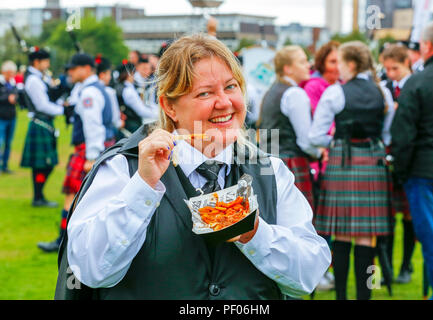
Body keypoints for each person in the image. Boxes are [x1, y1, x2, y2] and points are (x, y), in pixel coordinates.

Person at [54, 34, 331, 299]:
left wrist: (255, 234)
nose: (224, 103)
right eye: (204, 93)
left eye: (231, 87)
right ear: (169, 107)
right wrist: (143, 187)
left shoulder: (271, 171)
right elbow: (89, 270)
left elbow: (308, 276)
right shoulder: (122, 168)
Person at [309, 41, 393, 300]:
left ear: (352, 64)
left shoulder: (335, 93)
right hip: (374, 162)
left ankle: (342, 296)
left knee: (342, 234)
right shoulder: (383, 92)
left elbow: (316, 136)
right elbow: (387, 133)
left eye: (342, 63)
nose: (340, 69)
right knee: (367, 237)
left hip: (343, 162)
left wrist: (334, 142)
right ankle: (364, 297)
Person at [390, 21, 433, 300]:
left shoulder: (418, 82)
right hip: (430, 170)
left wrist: (401, 172)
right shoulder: (418, 81)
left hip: (427, 174)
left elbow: (403, 136)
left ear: (427, 47)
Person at [38, 53, 117, 253]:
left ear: (86, 69)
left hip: (91, 149)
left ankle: (63, 241)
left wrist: (91, 156)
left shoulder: (90, 93)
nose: (69, 72)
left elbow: (93, 126)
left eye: (73, 69)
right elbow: (114, 120)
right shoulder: (99, 89)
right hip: (103, 146)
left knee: (72, 194)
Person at [259, 45, 325, 209]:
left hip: (268, 162)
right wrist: (319, 153)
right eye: (302, 62)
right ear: (288, 68)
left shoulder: (271, 91)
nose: (308, 65)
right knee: (298, 221)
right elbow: (305, 141)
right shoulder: (294, 94)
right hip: (290, 163)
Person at [302, 40, 340, 291]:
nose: (338, 67)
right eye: (332, 61)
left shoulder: (341, 87)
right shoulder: (315, 87)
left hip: (336, 158)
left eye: (340, 61)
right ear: (322, 62)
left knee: (336, 222)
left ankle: (329, 269)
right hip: (319, 160)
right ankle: (319, 272)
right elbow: (314, 127)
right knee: (321, 221)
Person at [381, 43, 416, 284]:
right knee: (389, 216)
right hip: (387, 156)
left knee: (410, 217)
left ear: (407, 63)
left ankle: (406, 266)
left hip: (412, 159)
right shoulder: (384, 89)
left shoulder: (416, 86)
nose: (391, 74)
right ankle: (389, 270)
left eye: (395, 68)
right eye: (387, 69)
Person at [20, 47, 64, 207]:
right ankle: (38, 197)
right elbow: (42, 105)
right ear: (36, 62)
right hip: (40, 122)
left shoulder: (40, 77)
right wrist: (63, 110)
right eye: (45, 61)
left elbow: (49, 98)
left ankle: (38, 196)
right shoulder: (33, 80)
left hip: (44, 123)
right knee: (43, 164)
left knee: (45, 164)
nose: (48, 64)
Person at [115, 61, 158, 137]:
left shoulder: (123, 87)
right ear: (130, 74)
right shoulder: (128, 91)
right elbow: (141, 111)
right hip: (131, 126)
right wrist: (158, 114)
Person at [0, 60, 18, 174]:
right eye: (9, 73)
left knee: (8, 142)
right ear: (4, 72)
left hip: (12, 117)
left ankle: (5, 165)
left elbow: (17, 96)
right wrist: (7, 98)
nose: (11, 75)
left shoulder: (13, 83)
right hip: (1, 117)